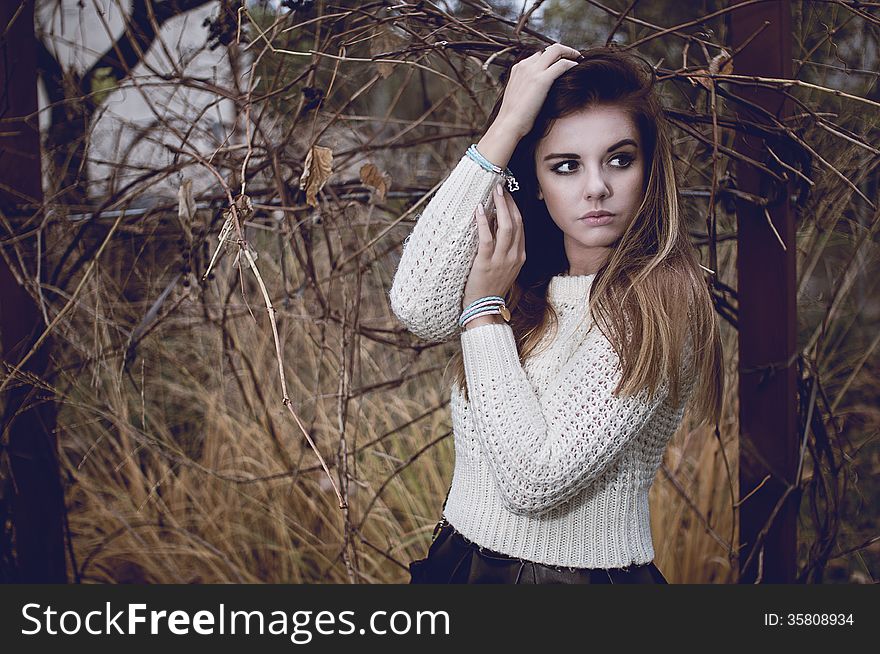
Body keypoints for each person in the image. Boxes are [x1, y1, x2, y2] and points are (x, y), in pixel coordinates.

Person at [388, 43, 724, 584]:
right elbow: (418, 304)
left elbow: (534, 481)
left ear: (648, 168)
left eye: (620, 159)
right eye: (565, 166)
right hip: (459, 561)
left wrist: (481, 311)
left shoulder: (662, 304)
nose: (597, 187)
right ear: (538, 187)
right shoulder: (527, 287)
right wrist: (505, 129)